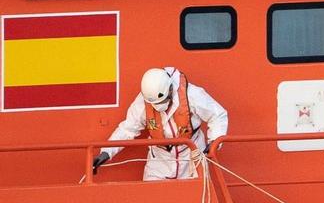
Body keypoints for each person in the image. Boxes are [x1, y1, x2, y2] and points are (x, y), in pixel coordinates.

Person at [93, 68, 229, 181]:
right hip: (159, 160)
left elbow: (217, 115)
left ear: (170, 90)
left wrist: (214, 142)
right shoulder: (143, 101)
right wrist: (106, 152)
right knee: (154, 202)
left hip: (192, 158)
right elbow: (128, 128)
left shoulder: (191, 94)